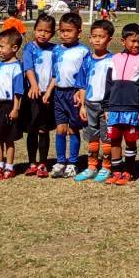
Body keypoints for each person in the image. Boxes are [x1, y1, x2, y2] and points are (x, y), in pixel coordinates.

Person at [102, 22, 139, 184]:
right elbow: (108, 83)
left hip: (133, 109)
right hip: (114, 108)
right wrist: (106, 106)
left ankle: (128, 171)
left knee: (130, 140)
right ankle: (116, 171)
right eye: (133, 41)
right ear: (123, 41)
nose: (136, 45)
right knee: (115, 140)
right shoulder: (115, 58)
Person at [47, 12, 89, 177]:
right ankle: (60, 161)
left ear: (79, 32)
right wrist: (49, 91)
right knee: (60, 129)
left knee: (73, 129)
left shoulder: (83, 51)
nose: (65, 34)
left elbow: (86, 75)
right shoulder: (56, 50)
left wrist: (80, 92)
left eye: (69, 31)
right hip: (59, 93)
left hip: (74, 94)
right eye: (62, 30)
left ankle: (72, 163)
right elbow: (55, 74)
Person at [74, 19, 115, 182]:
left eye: (101, 36)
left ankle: (106, 167)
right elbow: (82, 85)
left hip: (106, 106)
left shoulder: (113, 60)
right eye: (94, 36)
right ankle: (91, 166)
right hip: (89, 104)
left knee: (106, 137)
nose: (97, 40)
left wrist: (111, 107)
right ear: (90, 38)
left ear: (109, 39)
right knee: (92, 136)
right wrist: (82, 106)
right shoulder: (87, 60)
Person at [0, 28, 26, 180]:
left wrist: (16, 108)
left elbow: (18, 92)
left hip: (8, 106)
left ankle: (9, 166)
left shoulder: (17, 68)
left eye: (2, 46)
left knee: (8, 138)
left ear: (14, 48)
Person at [21, 13, 57, 176]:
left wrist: (49, 90)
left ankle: (43, 163)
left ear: (53, 33)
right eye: (39, 30)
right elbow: (28, 67)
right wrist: (34, 85)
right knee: (32, 130)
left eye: (47, 31)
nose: (43, 34)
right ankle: (32, 162)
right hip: (32, 95)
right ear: (34, 30)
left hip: (48, 95)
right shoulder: (29, 48)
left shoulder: (55, 50)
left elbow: (56, 72)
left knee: (44, 130)